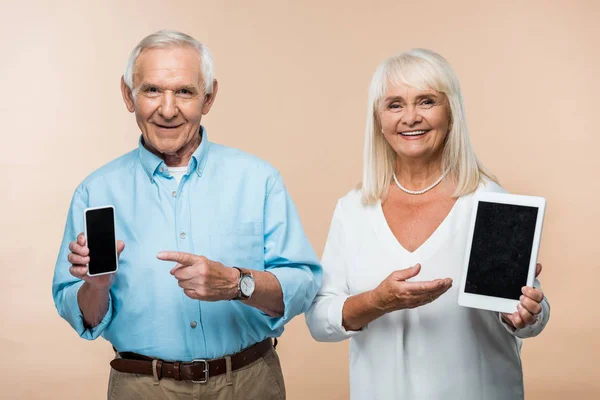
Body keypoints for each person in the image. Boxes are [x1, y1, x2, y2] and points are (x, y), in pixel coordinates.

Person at [52, 29, 321, 400]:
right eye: (151, 90)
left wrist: (236, 283)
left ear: (208, 97)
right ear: (128, 95)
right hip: (141, 388)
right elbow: (82, 316)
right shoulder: (95, 191)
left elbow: (302, 286)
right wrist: (96, 287)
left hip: (249, 382)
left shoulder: (259, 180)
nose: (167, 109)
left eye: (184, 91)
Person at [305, 48, 550, 400]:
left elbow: (530, 317)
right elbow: (319, 321)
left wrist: (526, 313)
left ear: (451, 112)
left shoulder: (488, 201)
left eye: (426, 101)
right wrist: (377, 301)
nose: (410, 117)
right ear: (378, 118)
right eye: (394, 105)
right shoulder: (354, 209)